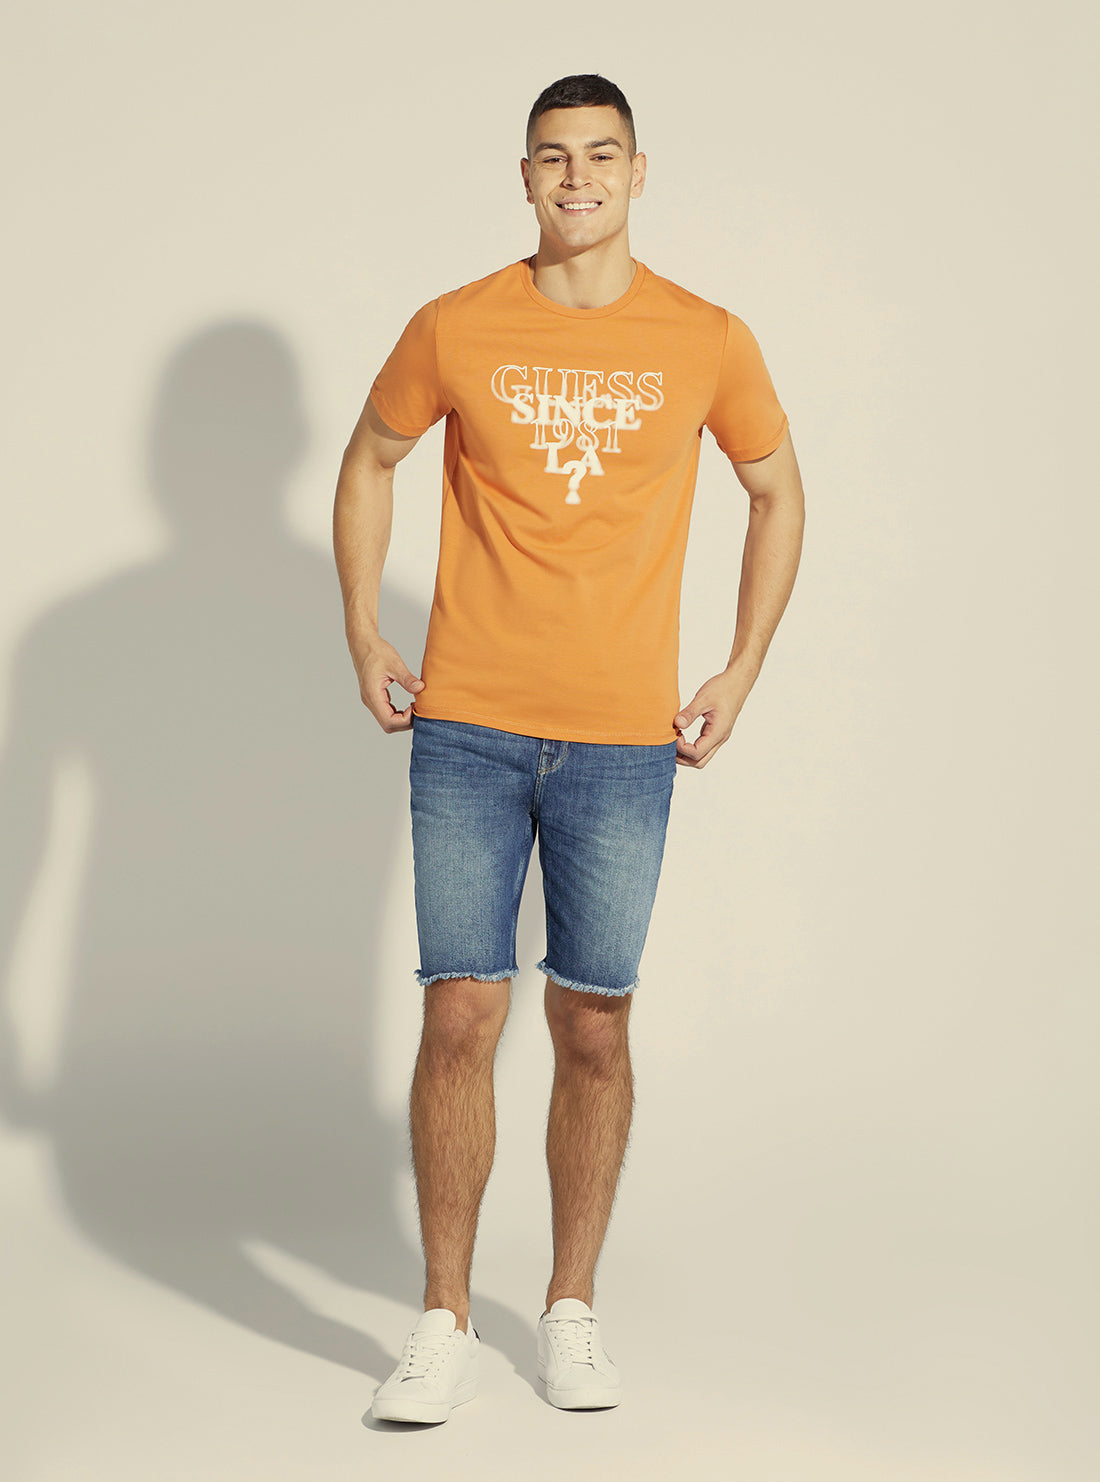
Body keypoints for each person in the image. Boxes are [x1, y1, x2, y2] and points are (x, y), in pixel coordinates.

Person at [332, 73, 805, 1423]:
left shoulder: (706, 337)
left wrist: (743, 666)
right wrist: (363, 631)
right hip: (468, 729)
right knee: (459, 1012)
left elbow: (777, 489)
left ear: (639, 174)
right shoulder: (457, 323)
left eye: (602, 155)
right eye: (553, 156)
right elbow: (369, 461)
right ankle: (441, 1315)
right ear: (526, 175)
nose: (578, 177)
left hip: (619, 741)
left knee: (593, 1020)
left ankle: (570, 1308)